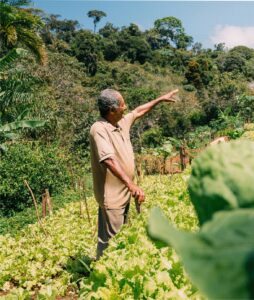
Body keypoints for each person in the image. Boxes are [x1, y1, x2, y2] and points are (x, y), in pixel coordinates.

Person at [89, 88, 178, 259]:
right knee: (113, 241)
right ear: (112, 110)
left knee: (115, 237)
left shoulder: (120, 123)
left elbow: (139, 111)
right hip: (112, 196)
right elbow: (108, 160)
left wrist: (160, 99)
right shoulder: (99, 129)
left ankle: (105, 267)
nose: (126, 108)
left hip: (125, 192)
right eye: (123, 105)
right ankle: (105, 270)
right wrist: (131, 184)